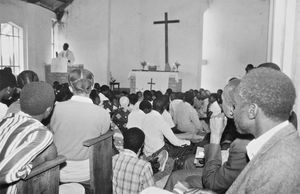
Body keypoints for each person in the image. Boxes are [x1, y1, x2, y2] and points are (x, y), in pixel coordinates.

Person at [164, 79, 254, 193]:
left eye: (222, 101)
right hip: (216, 157)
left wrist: (215, 136)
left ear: (232, 108)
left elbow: (215, 178)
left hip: (220, 169)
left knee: (177, 177)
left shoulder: (243, 132)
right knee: (190, 160)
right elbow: (209, 141)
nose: (220, 104)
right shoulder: (230, 120)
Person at [226, 68, 300, 193]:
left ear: (252, 110)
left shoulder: (278, 164)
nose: (233, 112)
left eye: (236, 105)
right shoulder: (281, 144)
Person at [50, 68, 110, 183]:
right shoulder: (102, 113)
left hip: (58, 170)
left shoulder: (56, 108)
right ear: (92, 87)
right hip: (87, 171)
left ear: (70, 88)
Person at [0, 82, 55, 193]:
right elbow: (3, 173)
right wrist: (30, 166)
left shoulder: (7, 119)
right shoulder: (41, 133)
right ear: (49, 109)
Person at [113, 127, 154, 194]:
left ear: (123, 141)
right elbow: (151, 191)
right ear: (141, 146)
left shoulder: (113, 159)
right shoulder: (144, 167)